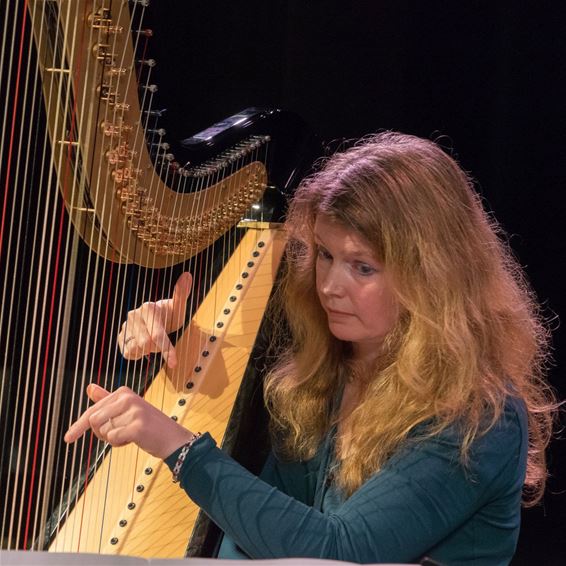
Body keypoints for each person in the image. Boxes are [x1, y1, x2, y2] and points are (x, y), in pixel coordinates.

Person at [65, 132, 556, 565]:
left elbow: (335, 553)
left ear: (432, 278)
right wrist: (171, 340)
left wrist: (179, 448)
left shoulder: (480, 418)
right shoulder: (333, 368)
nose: (329, 287)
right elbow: (264, 519)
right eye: (324, 254)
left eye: (362, 267)